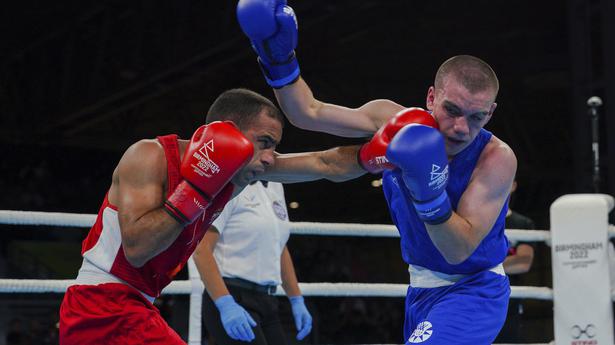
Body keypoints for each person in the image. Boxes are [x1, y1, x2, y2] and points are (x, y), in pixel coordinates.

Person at [237, 2, 517, 343]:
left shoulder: (496, 159)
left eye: (476, 117)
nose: (460, 128)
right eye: (452, 110)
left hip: (475, 290)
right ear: (431, 97)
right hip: (420, 289)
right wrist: (277, 58)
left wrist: (427, 191)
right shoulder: (392, 120)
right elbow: (308, 114)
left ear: (491, 113)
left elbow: (457, 250)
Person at [58, 88, 365, 345]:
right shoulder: (148, 156)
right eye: (265, 143)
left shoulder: (240, 173)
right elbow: (137, 250)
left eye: (275, 147)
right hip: (100, 305)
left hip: (136, 307)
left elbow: (326, 163)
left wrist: (380, 154)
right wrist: (197, 190)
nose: (271, 157)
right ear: (228, 132)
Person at [193, 180, 311, 344]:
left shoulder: (276, 185)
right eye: (263, 151)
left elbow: (278, 245)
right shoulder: (231, 185)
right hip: (232, 295)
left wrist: (296, 299)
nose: (269, 156)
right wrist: (225, 304)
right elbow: (201, 249)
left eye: (272, 151)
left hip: (268, 301)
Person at [495, 180, 536, 343]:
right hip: (477, 291)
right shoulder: (478, 221)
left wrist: (483, 265)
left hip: (510, 299)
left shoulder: (523, 224)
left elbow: (523, 263)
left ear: (514, 185)